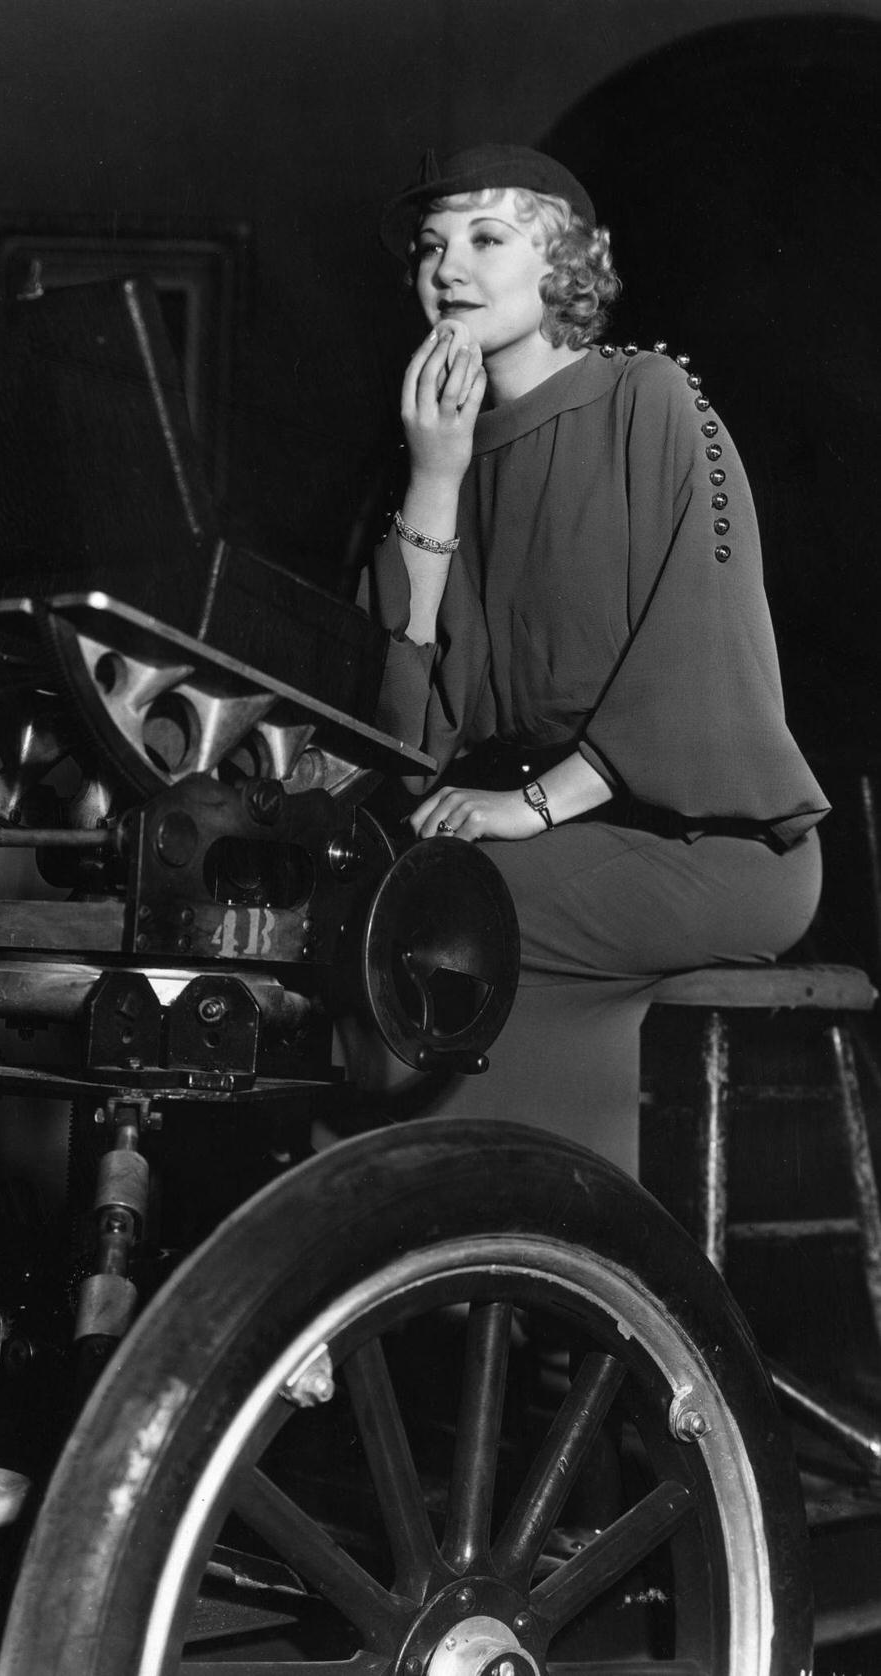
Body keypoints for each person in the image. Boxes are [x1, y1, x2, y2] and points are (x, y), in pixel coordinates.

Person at [364, 143, 828, 1174]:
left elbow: (698, 658)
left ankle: (542, 1248)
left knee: (462, 912)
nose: (448, 267)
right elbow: (399, 727)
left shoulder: (649, 401)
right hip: (542, 831)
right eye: (433, 247)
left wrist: (524, 809)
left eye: (486, 239)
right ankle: (449, 1258)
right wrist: (435, 482)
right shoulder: (440, 444)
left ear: (560, 262)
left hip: (712, 845)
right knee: (382, 916)